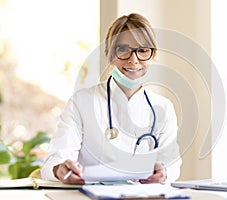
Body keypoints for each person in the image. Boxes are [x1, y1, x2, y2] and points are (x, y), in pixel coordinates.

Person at [41, 13, 182, 185]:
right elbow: (54, 161)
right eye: (123, 49)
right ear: (108, 53)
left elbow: (172, 165)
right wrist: (60, 169)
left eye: (143, 50)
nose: (133, 59)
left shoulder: (163, 108)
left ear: (152, 55)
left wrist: (164, 172)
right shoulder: (81, 102)